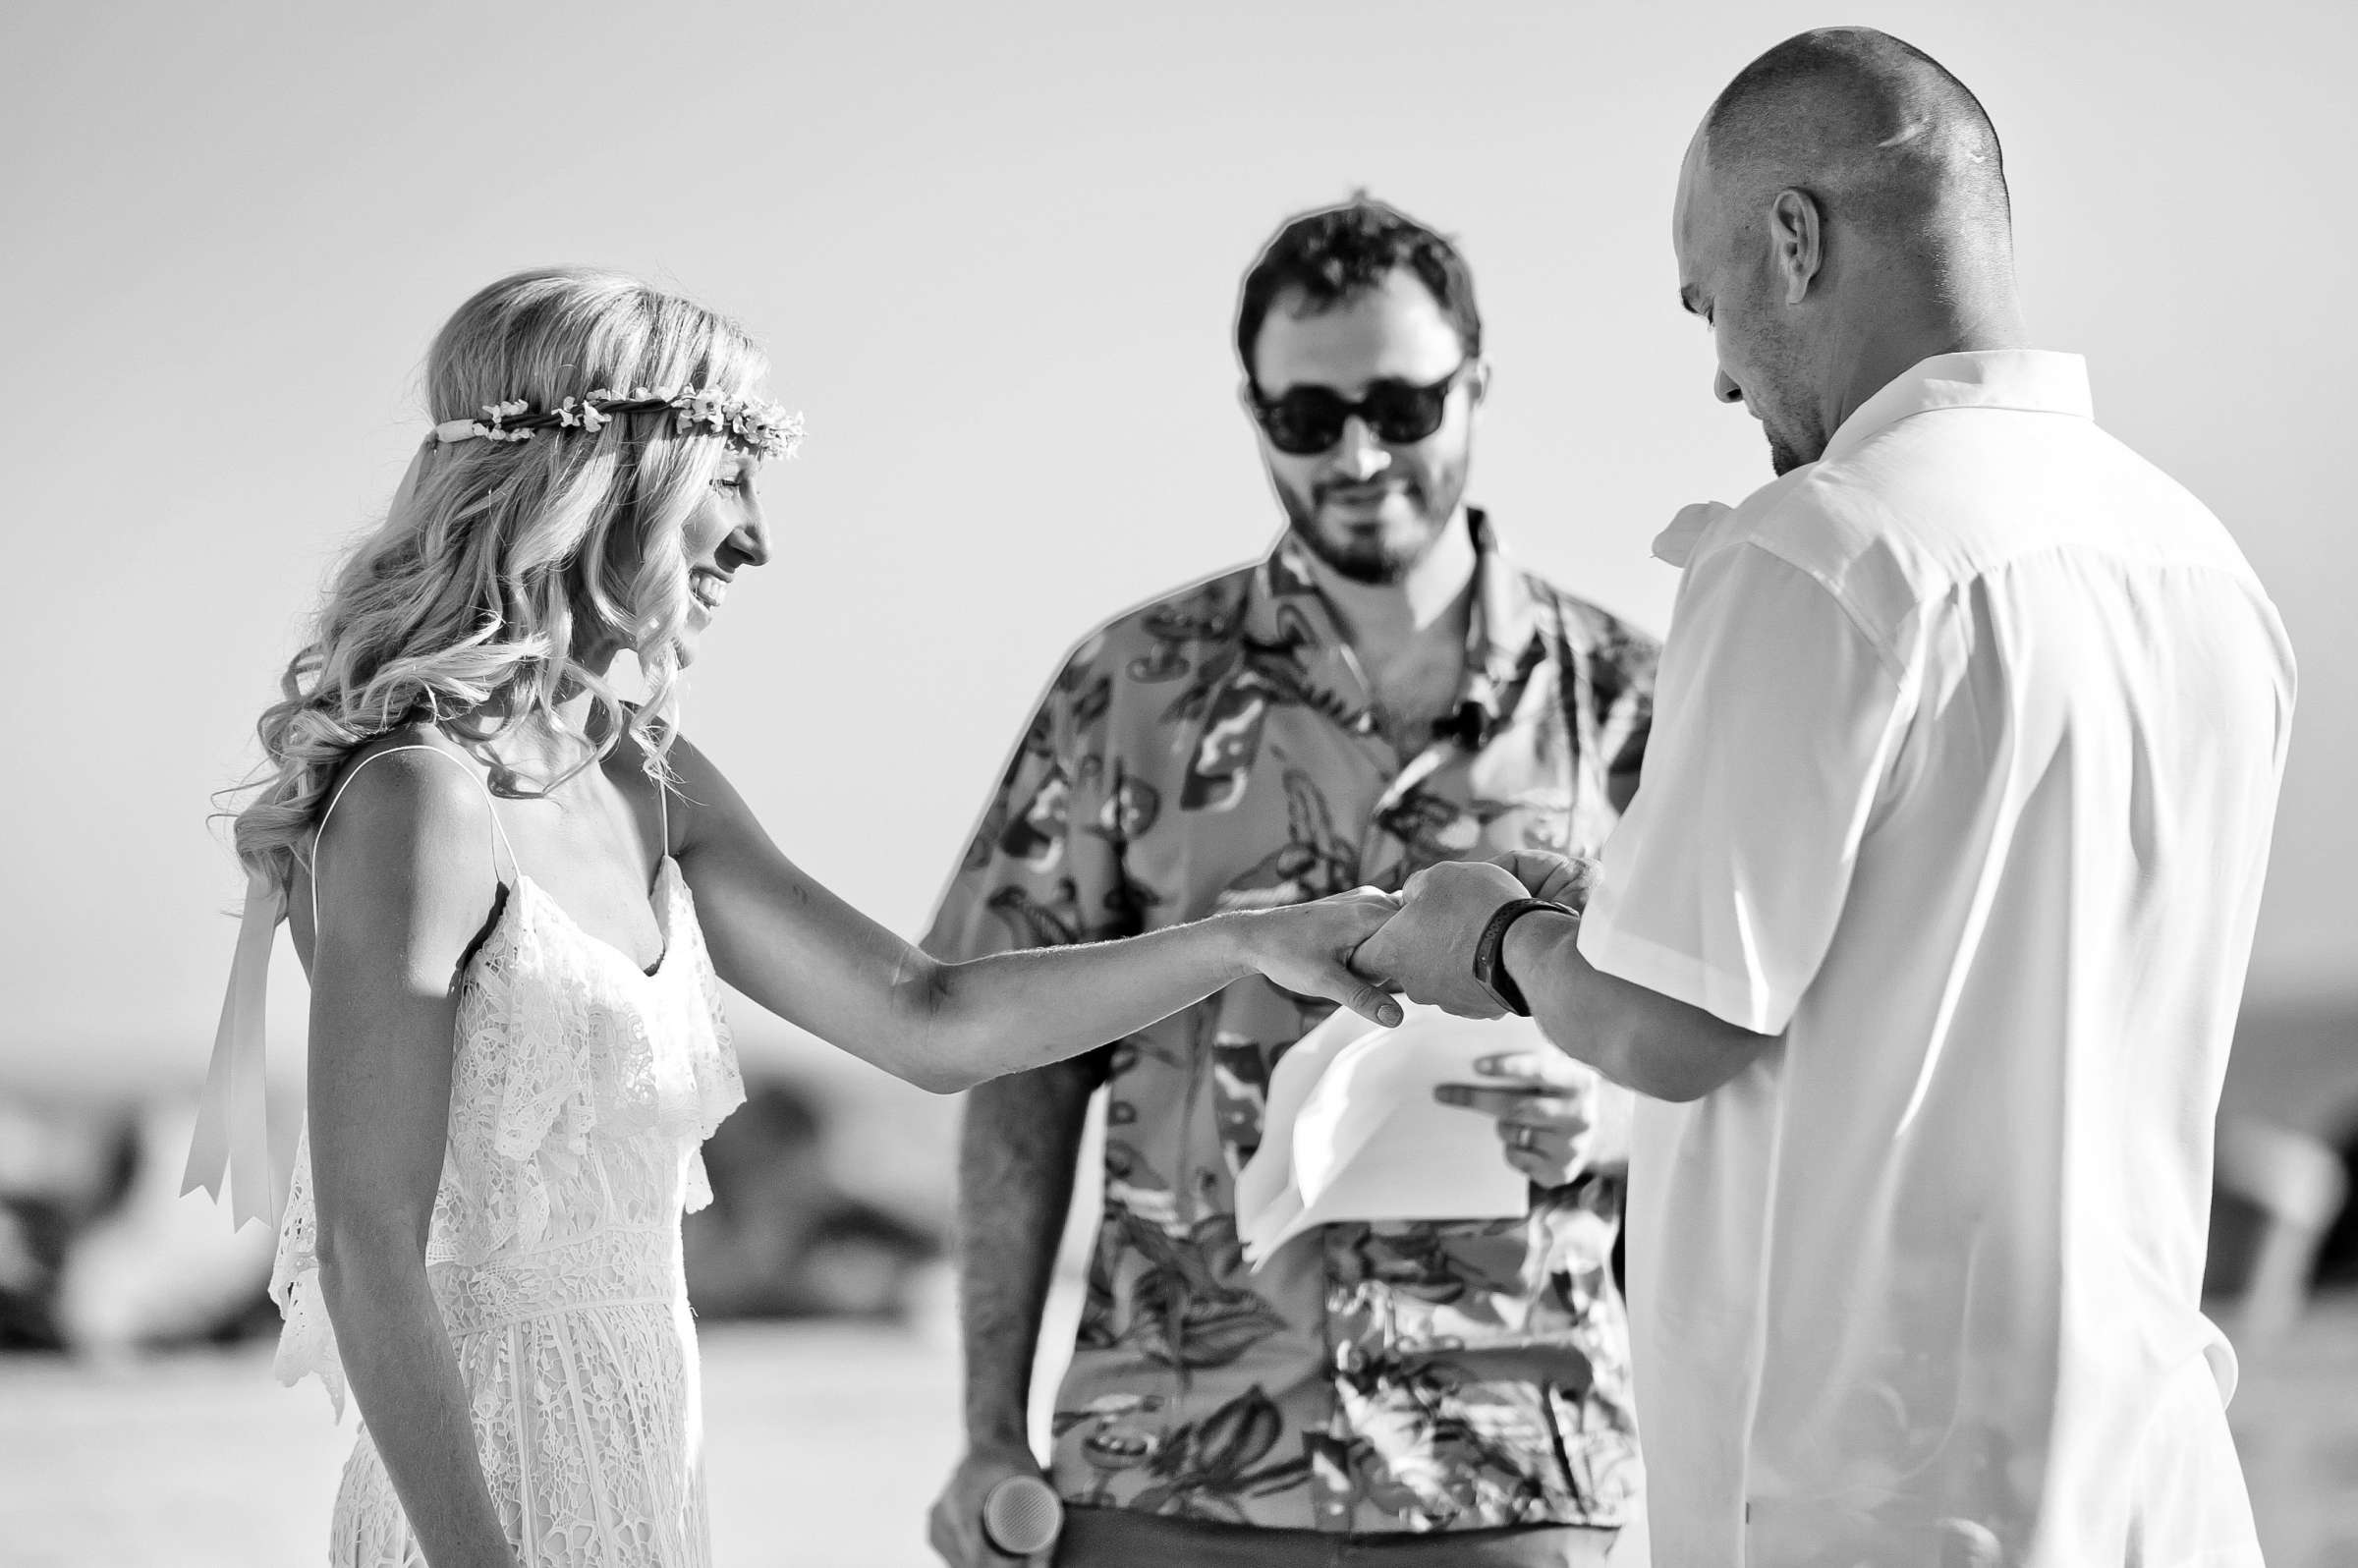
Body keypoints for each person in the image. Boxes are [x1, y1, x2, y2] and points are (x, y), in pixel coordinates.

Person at [183, 267, 1401, 1568]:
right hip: (475, 1515)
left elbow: (928, 1019)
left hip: (647, 1492)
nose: (756, 539)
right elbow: (374, 1254)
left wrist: (1244, 943)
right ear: (610, 478)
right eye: (731, 479)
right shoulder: (421, 802)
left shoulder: (651, 782)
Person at [1359, 28, 2294, 1567]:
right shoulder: (2206, 569)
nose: (1719, 364)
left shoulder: (1820, 548)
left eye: (1706, 296)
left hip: (1878, 1497)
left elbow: (1672, 1030)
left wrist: (1496, 937)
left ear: (1792, 241)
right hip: (2158, 1487)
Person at [926, 197, 1657, 1568]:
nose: (1361, 453)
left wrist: (1611, 1122)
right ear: (1254, 410)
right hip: (1166, 1468)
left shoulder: (1636, 698)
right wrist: (985, 1428)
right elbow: (1014, 1065)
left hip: (1513, 1464)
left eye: (1400, 402)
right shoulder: (1124, 687)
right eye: (1308, 418)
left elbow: (1747, 1060)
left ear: (1478, 385)